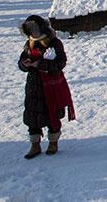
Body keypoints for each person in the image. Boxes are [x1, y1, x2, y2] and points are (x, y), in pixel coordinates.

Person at [18, 15, 75, 158]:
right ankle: (35, 145)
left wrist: (40, 64)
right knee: (32, 116)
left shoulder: (54, 42)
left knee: (52, 114)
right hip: (33, 85)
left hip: (51, 85)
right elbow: (21, 60)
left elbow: (60, 63)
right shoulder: (29, 44)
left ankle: (53, 142)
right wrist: (24, 64)